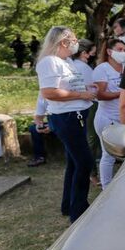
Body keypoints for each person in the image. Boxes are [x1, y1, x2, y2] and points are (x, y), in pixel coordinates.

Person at [35, 26, 97, 223]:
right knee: (85, 162)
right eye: (74, 39)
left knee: (74, 162)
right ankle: (78, 210)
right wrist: (82, 94)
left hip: (76, 114)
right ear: (63, 42)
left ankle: (68, 204)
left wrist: (85, 89)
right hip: (67, 117)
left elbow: (67, 86)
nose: (76, 43)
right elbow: (49, 92)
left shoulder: (66, 61)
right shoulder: (49, 62)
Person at [93, 38, 125, 187]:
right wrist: (122, 94)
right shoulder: (102, 69)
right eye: (119, 50)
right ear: (110, 52)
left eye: (124, 50)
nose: (123, 53)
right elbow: (100, 94)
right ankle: (106, 187)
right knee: (108, 155)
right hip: (107, 118)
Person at [71, 39, 100, 185]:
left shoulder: (72, 66)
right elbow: (92, 89)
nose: (92, 56)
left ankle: (91, 171)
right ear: (84, 53)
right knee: (92, 139)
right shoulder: (83, 68)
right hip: (90, 105)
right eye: (92, 53)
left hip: (80, 106)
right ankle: (92, 173)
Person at [27, 93, 55, 167]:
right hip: (52, 122)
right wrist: (39, 125)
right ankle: (39, 157)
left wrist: (53, 126)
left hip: (65, 122)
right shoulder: (43, 93)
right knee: (33, 129)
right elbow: (39, 114)